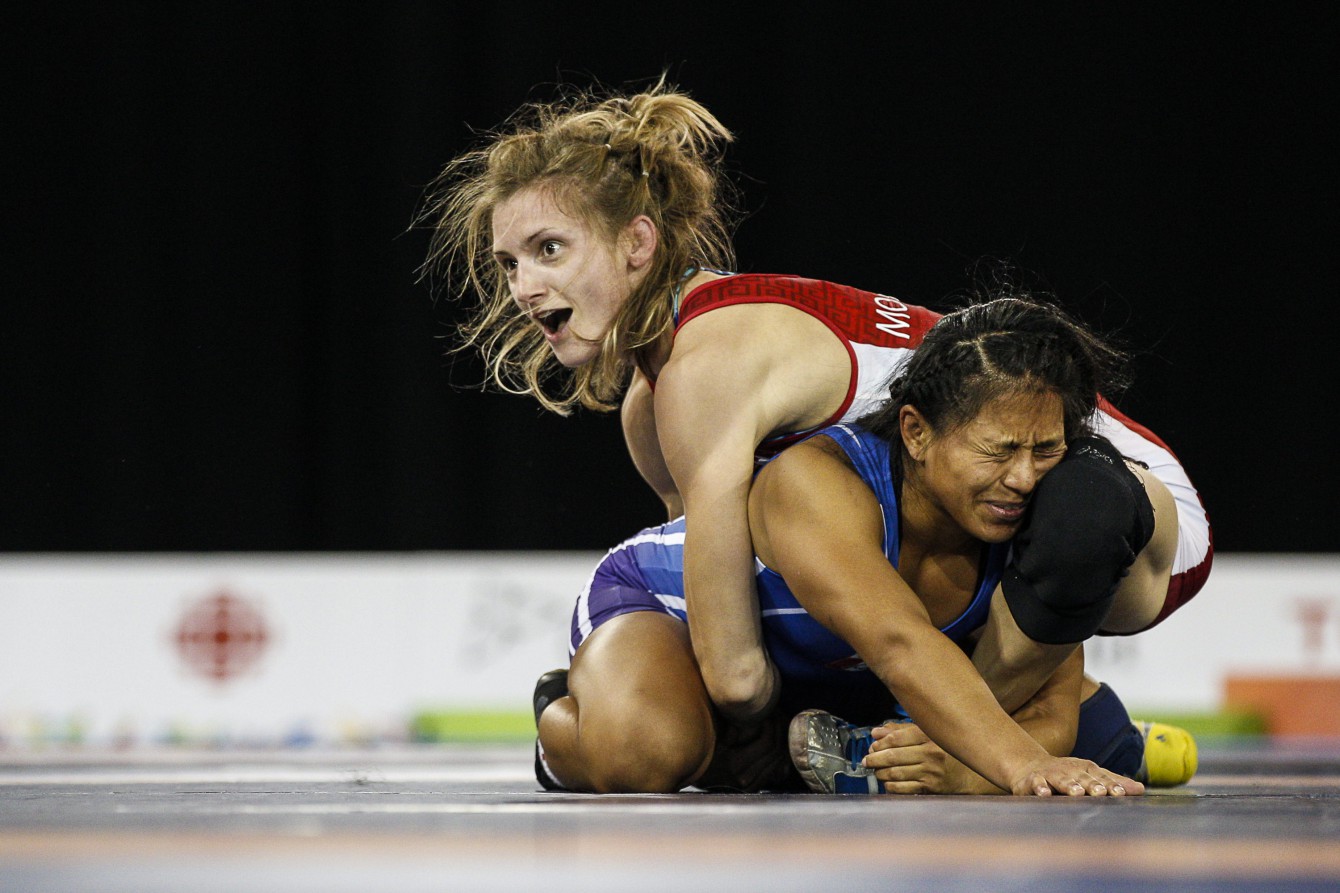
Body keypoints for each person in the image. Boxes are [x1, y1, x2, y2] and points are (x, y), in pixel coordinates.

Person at [420, 77, 1213, 743]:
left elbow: (737, 675)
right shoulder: (652, 405)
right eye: (509, 263)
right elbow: (736, 613)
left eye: (549, 249)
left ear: (638, 243)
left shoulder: (707, 366)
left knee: (1069, 517)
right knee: (850, 610)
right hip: (988, 526)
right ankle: (1081, 735)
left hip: (1138, 511)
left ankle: (978, 739)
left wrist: (737, 734)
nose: (524, 287)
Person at [536, 296, 1183, 796]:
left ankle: (777, 752)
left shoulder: (1038, 506)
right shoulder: (818, 482)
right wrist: (1019, 767)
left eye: (1045, 449)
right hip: (666, 612)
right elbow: (900, 643)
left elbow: (1050, 706)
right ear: (916, 433)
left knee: (1088, 745)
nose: (1023, 478)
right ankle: (567, 721)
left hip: (832, 677)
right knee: (648, 751)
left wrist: (959, 771)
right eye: (998, 450)